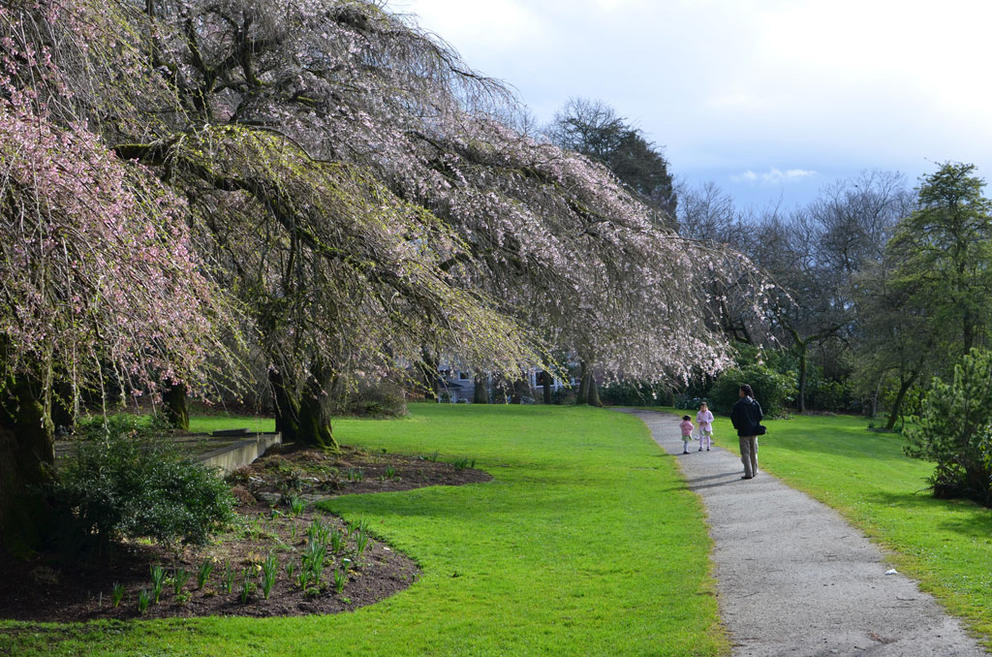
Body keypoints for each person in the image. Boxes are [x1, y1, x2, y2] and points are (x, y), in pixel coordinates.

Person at [730, 384, 763, 479]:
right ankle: (754, 470)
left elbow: (733, 417)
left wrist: (737, 426)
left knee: (745, 453)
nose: (739, 392)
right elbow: (760, 416)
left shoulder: (738, 405)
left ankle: (748, 473)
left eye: (740, 391)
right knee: (754, 451)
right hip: (754, 431)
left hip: (744, 432)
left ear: (743, 392)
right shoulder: (755, 403)